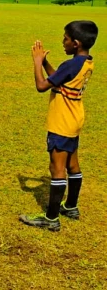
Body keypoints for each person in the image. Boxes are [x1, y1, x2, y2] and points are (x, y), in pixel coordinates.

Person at [20, 21, 98, 231]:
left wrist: (36, 62)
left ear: (76, 42)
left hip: (61, 122)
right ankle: (71, 206)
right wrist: (46, 64)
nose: (62, 42)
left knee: (57, 169)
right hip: (74, 119)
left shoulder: (71, 65)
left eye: (65, 38)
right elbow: (60, 79)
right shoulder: (85, 62)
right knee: (73, 165)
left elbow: (42, 86)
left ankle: (51, 218)